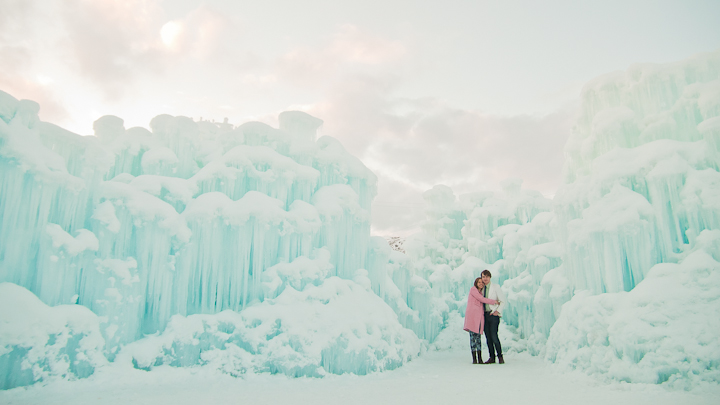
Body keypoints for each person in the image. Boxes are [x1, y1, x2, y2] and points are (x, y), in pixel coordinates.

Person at [463, 276, 498, 364]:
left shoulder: (481, 292)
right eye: (479, 282)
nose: (481, 284)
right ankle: (474, 359)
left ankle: (480, 358)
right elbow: (482, 299)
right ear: (476, 283)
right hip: (472, 317)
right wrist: (494, 301)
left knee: (478, 338)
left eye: (482, 283)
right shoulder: (473, 290)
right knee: (472, 338)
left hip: (479, 318)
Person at [480, 269, 506, 364]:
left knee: (494, 336)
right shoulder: (481, 289)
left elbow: (502, 301)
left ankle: (500, 356)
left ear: (490, 277)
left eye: (486, 276)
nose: (485, 278)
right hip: (485, 315)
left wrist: (497, 311)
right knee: (488, 338)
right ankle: (492, 357)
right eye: (483, 276)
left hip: (493, 315)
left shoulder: (495, 287)